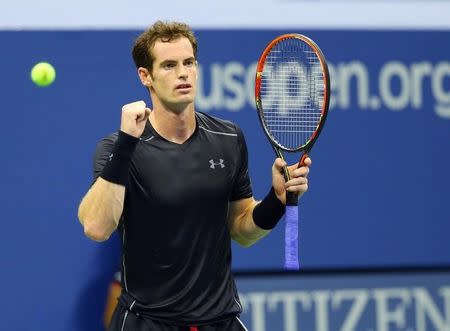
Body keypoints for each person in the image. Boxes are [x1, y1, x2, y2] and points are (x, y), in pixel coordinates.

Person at [78, 21, 311, 331]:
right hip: (149, 323)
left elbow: (242, 230)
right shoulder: (119, 147)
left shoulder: (228, 138)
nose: (183, 73)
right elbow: (96, 227)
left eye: (188, 63)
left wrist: (277, 201)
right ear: (145, 76)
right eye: (169, 65)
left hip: (220, 321)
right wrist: (125, 145)